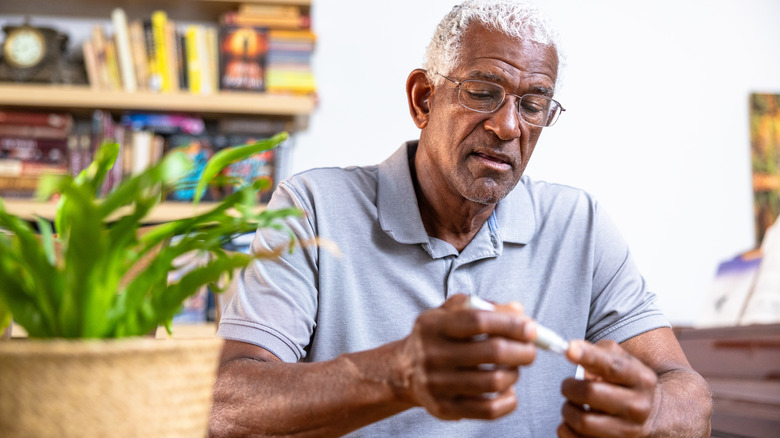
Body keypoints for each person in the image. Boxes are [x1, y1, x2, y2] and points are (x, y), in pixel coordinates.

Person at [209, 1, 713, 436]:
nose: (508, 126)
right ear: (423, 99)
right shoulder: (314, 205)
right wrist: (396, 373)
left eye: (533, 104)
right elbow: (224, 407)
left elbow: (690, 397)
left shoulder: (578, 224)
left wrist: (652, 414)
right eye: (482, 92)